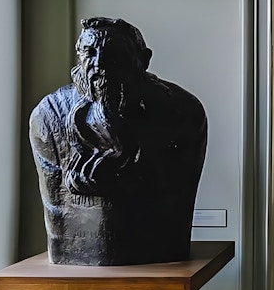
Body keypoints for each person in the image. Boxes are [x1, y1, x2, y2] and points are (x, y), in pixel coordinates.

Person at [29, 17, 207, 265]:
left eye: (114, 53)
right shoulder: (49, 116)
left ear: (143, 60)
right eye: (89, 53)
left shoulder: (182, 112)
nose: (100, 64)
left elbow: (177, 203)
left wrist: (132, 179)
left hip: (157, 251)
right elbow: (56, 211)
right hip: (74, 254)